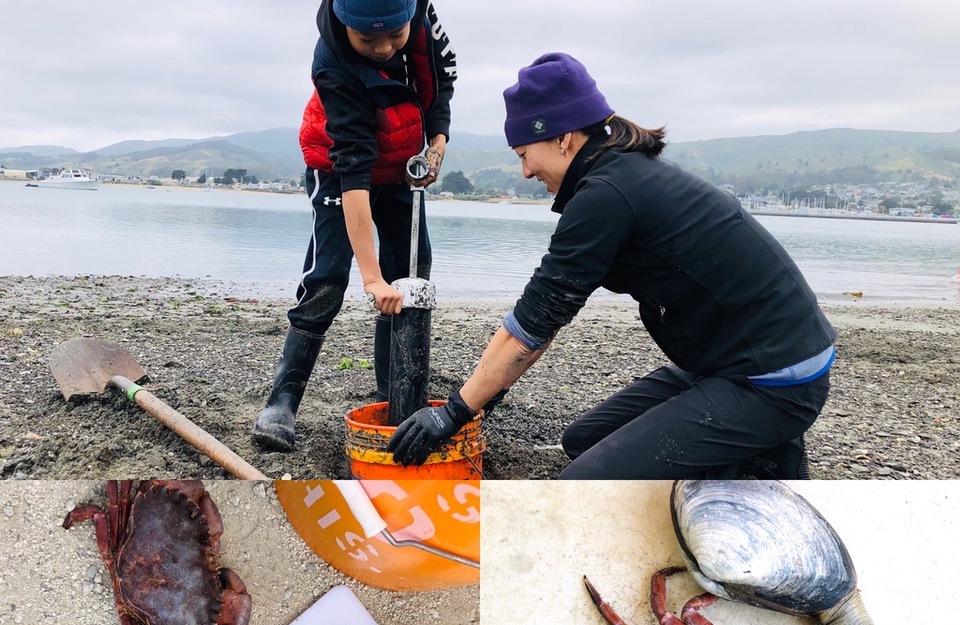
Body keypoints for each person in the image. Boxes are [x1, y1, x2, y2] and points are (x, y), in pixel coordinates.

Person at [388, 53, 837, 479]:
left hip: (772, 378)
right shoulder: (622, 173)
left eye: (524, 154)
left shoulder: (607, 196)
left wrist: (452, 413)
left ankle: (766, 455)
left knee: (584, 485)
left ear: (563, 137)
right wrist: (483, 398)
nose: (525, 171)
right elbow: (539, 322)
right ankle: (748, 444)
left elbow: (530, 329)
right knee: (582, 440)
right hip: (731, 359)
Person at [254, 0, 457, 451]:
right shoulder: (331, 62)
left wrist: (436, 146)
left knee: (411, 273)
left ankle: (395, 398)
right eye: (368, 39)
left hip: (404, 163)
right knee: (326, 276)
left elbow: (440, 84)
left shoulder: (422, 19)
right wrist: (370, 277)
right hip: (339, 167)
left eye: (395, 36)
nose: (384, 48)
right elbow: (354, 170)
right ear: (346, 23)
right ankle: (282, 401)